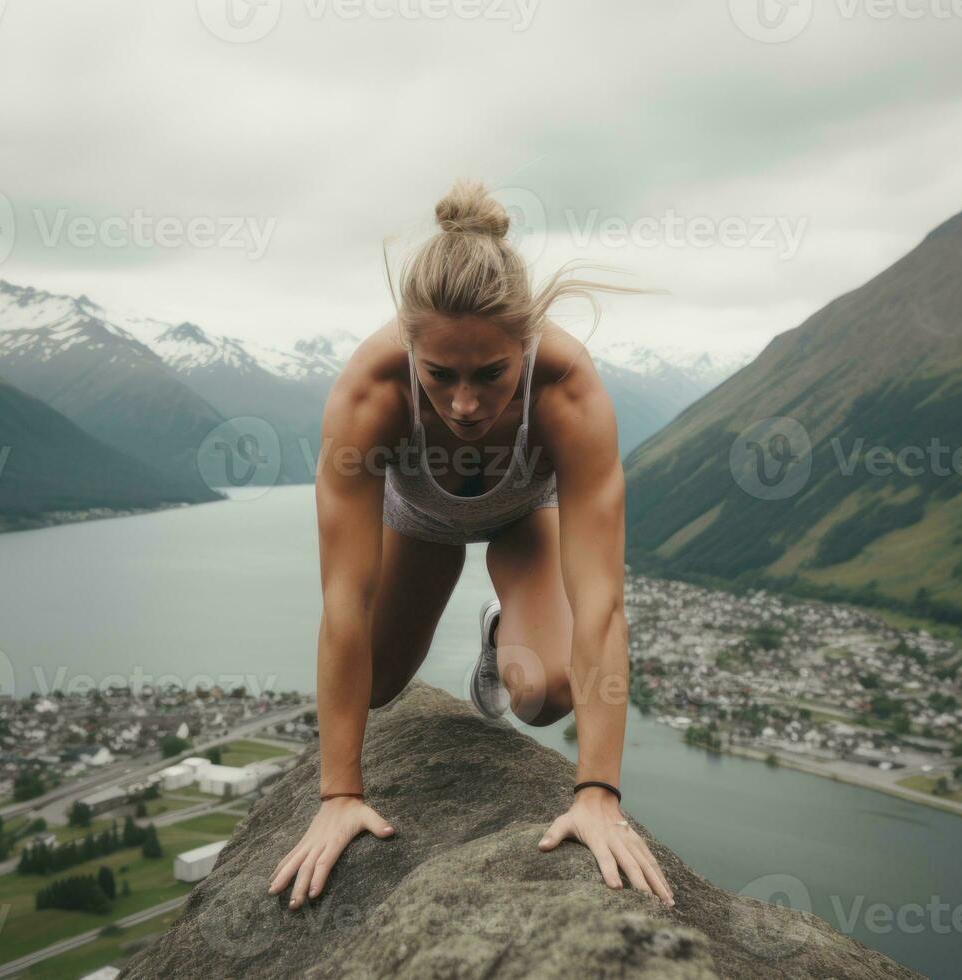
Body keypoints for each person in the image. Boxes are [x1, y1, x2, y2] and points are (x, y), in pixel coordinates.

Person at [268, 178, 675, 912]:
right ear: (409, 349)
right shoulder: (368, 393)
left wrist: (596, 793)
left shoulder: (568, 390)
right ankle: (484, 620)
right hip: (419, 521)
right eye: (439, 376)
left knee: (545, 694)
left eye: (490, 375)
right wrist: (338, 794)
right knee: (375, 688)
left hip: (526, 519)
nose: (462, 404)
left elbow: (601, 605)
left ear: (523, 343)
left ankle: (501, 630)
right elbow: (344, 601)